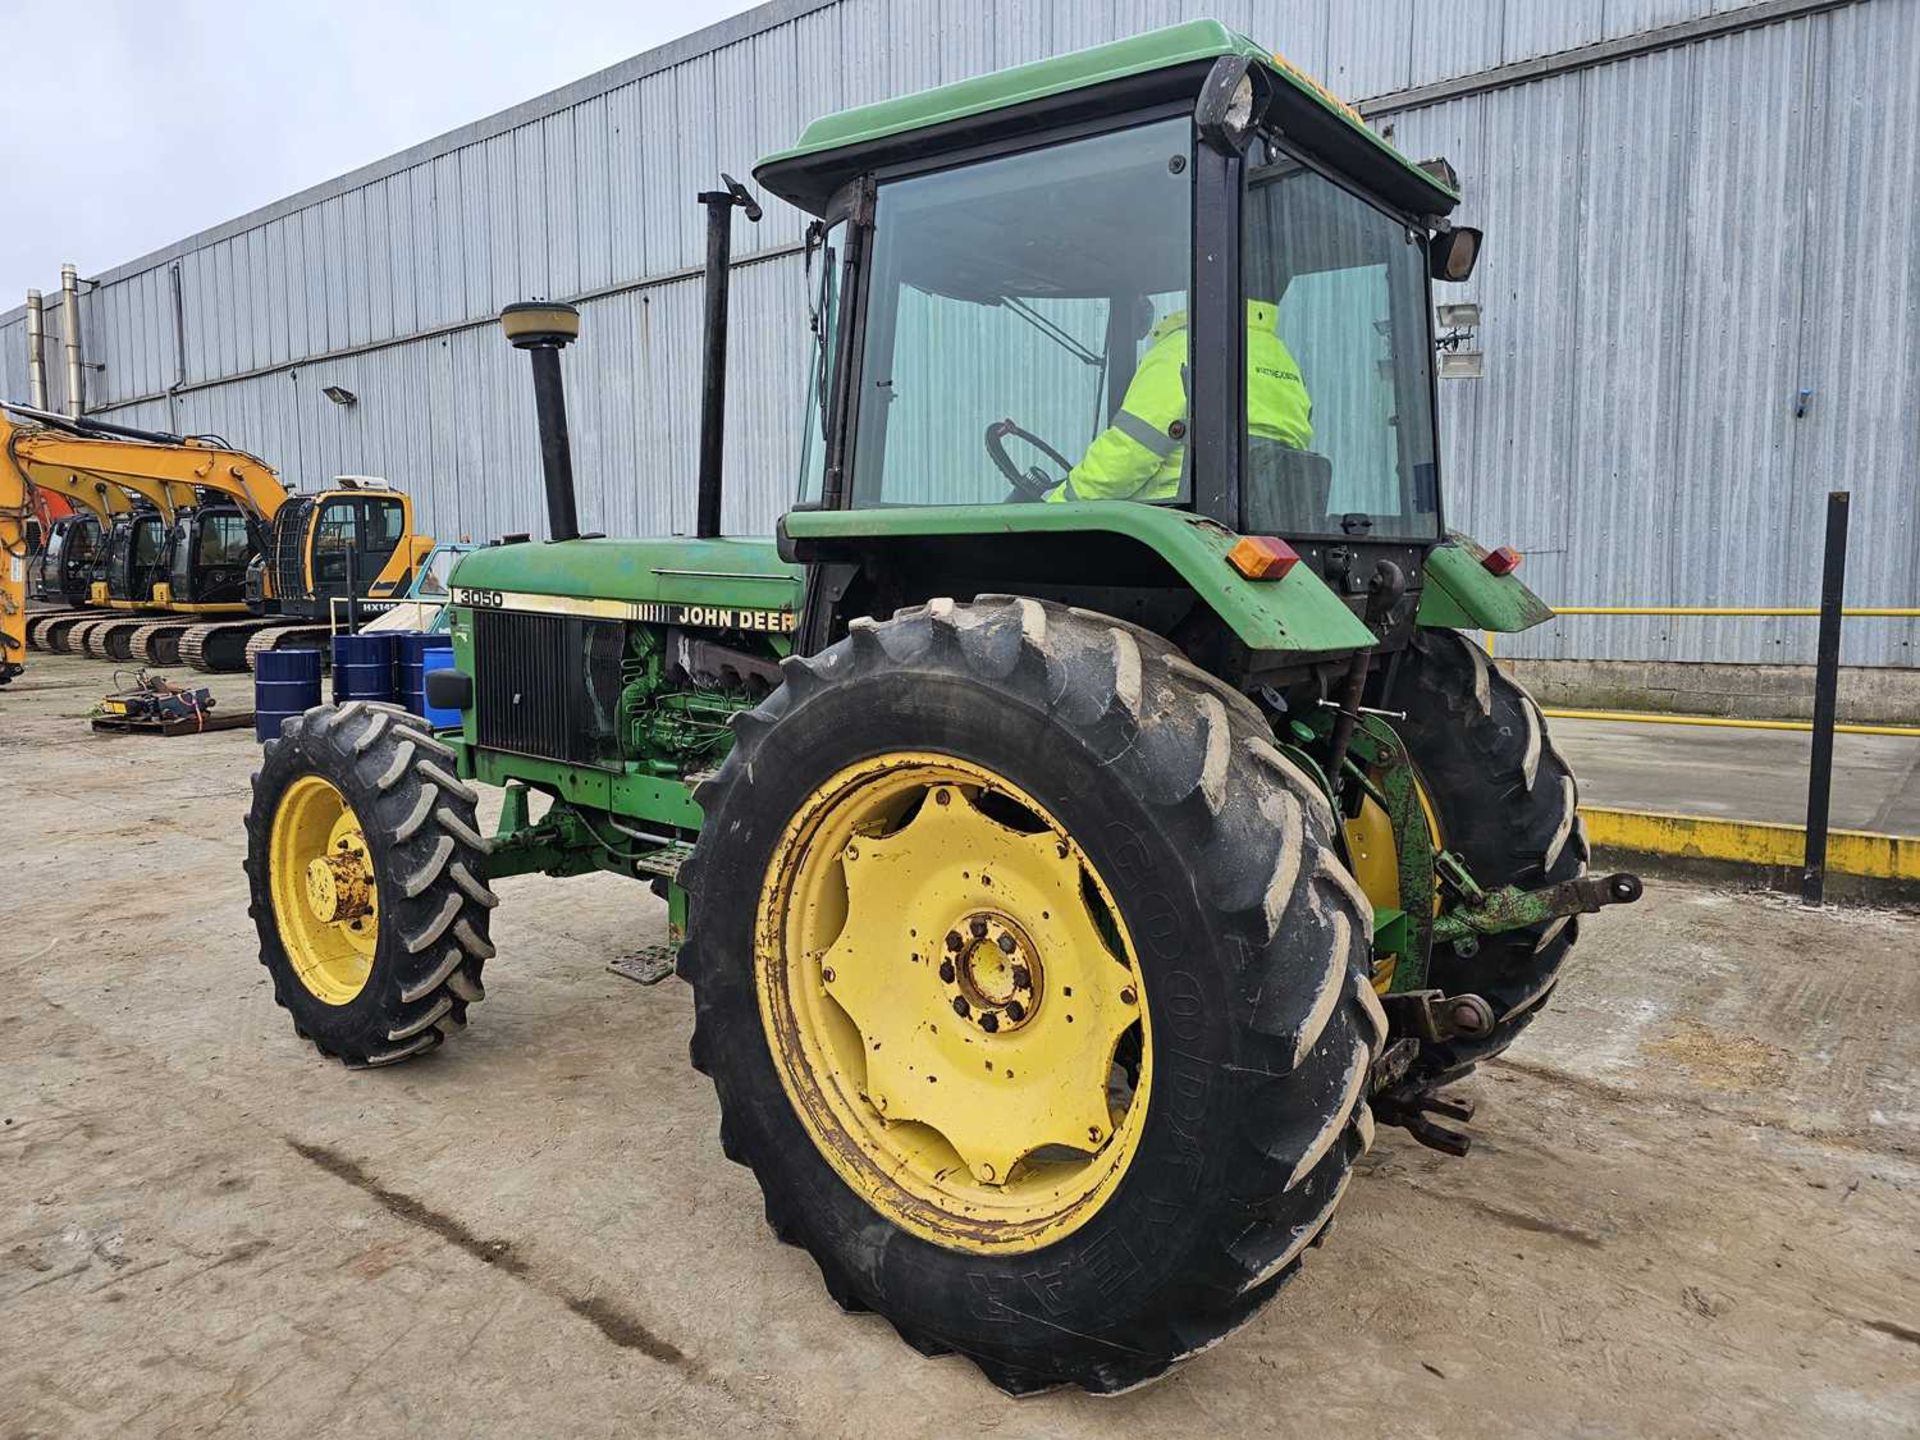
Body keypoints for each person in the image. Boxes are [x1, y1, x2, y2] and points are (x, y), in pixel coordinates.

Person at [1048, 299, 1312, 503]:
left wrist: (1057, 508)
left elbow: (1126, 457)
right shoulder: (1283, 361)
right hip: (1245, 532)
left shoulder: (1182, 350)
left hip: (1168, 524)